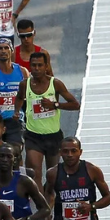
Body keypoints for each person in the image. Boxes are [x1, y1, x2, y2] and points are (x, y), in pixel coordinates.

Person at [16, 52, 80, 187]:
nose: (36, 68)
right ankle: (40, 199)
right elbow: (20, 97)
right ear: (30, 66)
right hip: (33, 135)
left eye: (40, 65)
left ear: (46, 66)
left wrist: (55, 105)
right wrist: (16, 111)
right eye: (34, 65)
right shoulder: (25, 84)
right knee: (34, 172)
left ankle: (49, 196)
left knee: (53, 175)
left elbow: (75, 105)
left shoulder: (55, 84)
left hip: (53, 136)